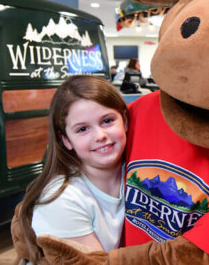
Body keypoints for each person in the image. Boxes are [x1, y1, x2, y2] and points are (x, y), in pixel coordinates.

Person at [14, 75, 128, 262]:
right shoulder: (64, 198)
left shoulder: (137, 171)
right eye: (82, 129)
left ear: (124, 120)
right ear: (66, 139)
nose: (100, 135)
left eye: (107, 121)